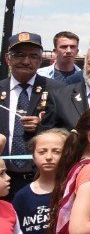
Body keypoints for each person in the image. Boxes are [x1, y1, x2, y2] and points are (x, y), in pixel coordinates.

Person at [2, 32, 61, 198]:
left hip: (41, 177)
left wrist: (41, 127)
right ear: (8, 58)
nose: (26, 61)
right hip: (3, 176)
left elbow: (65, 130)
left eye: (33, 56)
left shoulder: (57, 90)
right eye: (19, 55)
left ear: (40, 60)